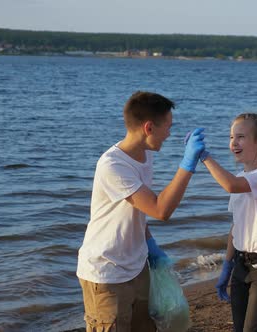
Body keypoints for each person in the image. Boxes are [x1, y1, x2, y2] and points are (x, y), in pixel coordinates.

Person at [76, 91, 206, 331]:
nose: (169, 133)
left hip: (137, 265)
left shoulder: (145, 156)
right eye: (167, 126)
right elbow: (160, 210)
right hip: (106, 272)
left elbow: (137, 209)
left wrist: (150, 244)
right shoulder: (113, 165)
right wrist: (187, 164)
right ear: (149, 127)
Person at [200, 113, 257, 332]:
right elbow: (236, 226)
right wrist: (227, 266)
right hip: (240, 264)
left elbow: (231, 185)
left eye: (240, 137)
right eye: (231, 137)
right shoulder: (240, 176)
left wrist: (205, 157)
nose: (233, 143)